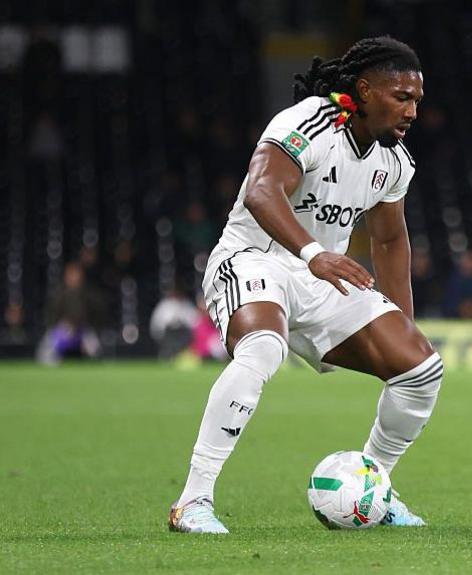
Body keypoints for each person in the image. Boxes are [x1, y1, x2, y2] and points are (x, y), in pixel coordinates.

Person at [168, 37, 441, 534]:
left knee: (421, 367)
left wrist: (398, 319)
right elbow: (261, 191)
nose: (413, 111)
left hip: (323, 279)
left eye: (417, 100)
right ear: (363, 90)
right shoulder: (310, 121)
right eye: (402, 97)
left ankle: (374, 486)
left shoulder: (393, 161)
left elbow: (390, 239)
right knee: (262, 350)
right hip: (255, 259)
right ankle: (192, 501)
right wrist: (313, 254)